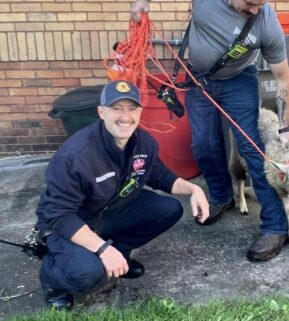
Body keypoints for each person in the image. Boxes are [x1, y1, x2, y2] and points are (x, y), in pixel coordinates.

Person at [131, 0, 289, 261]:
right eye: (251, 4)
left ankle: (275, 227)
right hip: (199, 79)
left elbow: (283, 77)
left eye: (261, 5)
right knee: (203, 145)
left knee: (251, 150)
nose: (257, 10)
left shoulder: (266, 22)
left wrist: (284, 126)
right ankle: (222, 197)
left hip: (240, 81)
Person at [36, 80, 209, 309]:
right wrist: (102, 249)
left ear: (139, 111)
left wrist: (194, 189)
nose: (124, 116)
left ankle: (120, 254)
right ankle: (52, 279)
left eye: (131, 108)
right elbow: (58, 214)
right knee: (88, 274)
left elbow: (161, 177)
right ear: (101, 112)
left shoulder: (144, 143)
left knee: (169, 209)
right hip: (70, 225)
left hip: (110, 209)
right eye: (116, 108)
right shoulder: (75, 156)